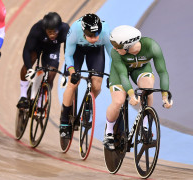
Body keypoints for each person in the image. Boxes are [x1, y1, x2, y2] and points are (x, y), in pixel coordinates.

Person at [103, 25, 173, 150]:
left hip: (140, 69)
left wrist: (165, 95)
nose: (113, 48)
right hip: (119, 72)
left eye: (117, 45)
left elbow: (162, 72)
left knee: (148, 90)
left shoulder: (152, 46)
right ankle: (109, 131)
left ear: (127, 46)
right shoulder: (116, 53)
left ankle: (144, 126)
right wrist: (131, 94)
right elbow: (123, 76)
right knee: (118, 101)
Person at [59, 13, 112, 143]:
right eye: (90, 36)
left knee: (97, 84)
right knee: (73, 83)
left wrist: (113, 75)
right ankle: (64, 120)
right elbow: (68, 56)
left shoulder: (105, 31)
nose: (94, 38)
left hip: (95, 52)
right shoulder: (75, 30)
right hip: (77, 51)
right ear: (83, 32)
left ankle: (88, 106)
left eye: (96, 35)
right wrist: (72, 72)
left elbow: (113, 56)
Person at [16, 12, 70, 109]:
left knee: (51, 74)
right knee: (29, 60)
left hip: (52, 50)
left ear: (60, 28)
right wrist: (29, 69)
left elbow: (69, 54)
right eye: (49, 32)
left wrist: (66, 73)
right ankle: (23, 96)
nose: (52, 35)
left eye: (55, 32)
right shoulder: (37, 29)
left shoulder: (65, 30)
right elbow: (26, 51)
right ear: (45, 29)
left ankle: (41, 98)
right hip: (37, 47)